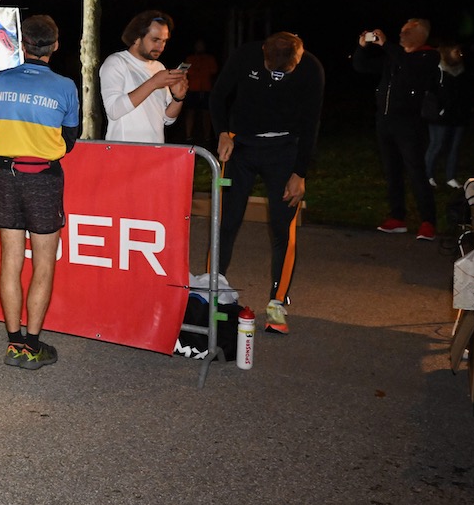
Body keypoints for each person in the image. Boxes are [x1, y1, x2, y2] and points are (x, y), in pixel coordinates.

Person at [210, 32, 325, 335]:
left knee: (282, 226)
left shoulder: (311, 69)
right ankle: (213, 294)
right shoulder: (245, 55)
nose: (279, 75)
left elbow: (312, 121)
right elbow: (218, 95)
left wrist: (300, 173)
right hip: (241, 146)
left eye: (287, 70)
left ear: (299, 57)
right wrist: (222, 132)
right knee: (226, 222)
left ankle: (277, 303)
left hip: (285, 150)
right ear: (262, 52)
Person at [0, 15, 80, 368]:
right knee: (43, 264)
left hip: (4, 175)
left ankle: (13, 344)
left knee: (10, 261)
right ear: (55, 46)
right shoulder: (65, 86)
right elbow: (70, 139)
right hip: (43, 178)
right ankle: (32, 346)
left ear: (23, 44)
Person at [353, 19, 440, 240]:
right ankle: (397, 218)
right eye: (400, 31)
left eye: (406, 31)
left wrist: (386, 45)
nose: (400, 35)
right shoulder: (393, 57)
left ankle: (428, 221)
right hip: (385, 121)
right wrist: (362, 48)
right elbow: (361, 67)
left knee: (416, 173)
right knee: (392, 172)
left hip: (410, 124)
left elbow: (410, 69)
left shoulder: (428, 56)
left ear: (420, 34)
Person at [99, 10, 187, 143]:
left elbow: (167, 119)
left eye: (164, 41)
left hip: (155, 151)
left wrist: (178, 98)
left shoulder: (159, 67)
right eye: (155, 40)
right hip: (124, 151)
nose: (161, 47)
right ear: (136, 38)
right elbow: (114, 110)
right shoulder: (116, 62)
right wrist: (153, 83)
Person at [424, 42, 474, 189]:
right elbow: (430, 90)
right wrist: (439, 108)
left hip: (459, 115)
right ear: (447, 51)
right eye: (455, 51)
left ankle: (450, 177)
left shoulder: (462, 69)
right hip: (440, 116)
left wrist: (468, 107)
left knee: (454, 147)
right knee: (436, 145)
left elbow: (466, 90)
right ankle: (427, 176)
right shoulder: (437, 68)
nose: (459, 53)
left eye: (459, 50)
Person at [182, 39, 219, 145]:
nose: (199, 47)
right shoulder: (190, 58)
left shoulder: (210, 58)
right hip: (192, 89)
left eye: (201, 45)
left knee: (206, 114)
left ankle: (207, 137)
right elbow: (183, 71)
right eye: (198, 45)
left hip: (206, 89)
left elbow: (214, 70)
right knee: (190, 112)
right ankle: (188, 136)